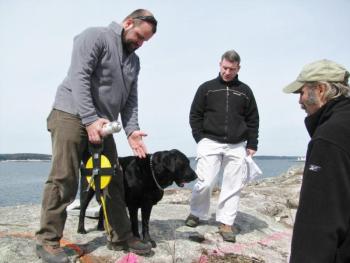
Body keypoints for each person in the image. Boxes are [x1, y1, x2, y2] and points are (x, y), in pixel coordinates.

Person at [35, 9, 158, 262]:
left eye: (145, 41)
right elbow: (79, 77)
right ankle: (47, 241)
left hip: (103, 124)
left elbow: (130, 100)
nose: (140, 44)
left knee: (113, 178)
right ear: (127, 23)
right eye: (138, 36)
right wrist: (90, 119)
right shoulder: (95, 37)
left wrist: (132, 129)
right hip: (70, 114)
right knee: (64, 178)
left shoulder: (134, 61)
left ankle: (121, 236)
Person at [185, 50, 259, 243]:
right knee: (205, 181)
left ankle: (226, 222)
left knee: (233, 185)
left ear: (238, 68)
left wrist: (252, 143)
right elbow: (195, 115)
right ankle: (196, 213)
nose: (227, 72)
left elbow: (253, 119)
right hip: (209, 141)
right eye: (225, 68)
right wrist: (199, 138)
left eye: (232, 69)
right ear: (220, 64)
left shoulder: (245, 91)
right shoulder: (206, 88)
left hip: (237, 145)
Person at [283, 59, 350, 262]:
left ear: (320, 90)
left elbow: (318, 224)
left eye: (301, 92)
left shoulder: (329, 138)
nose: (299, 101)